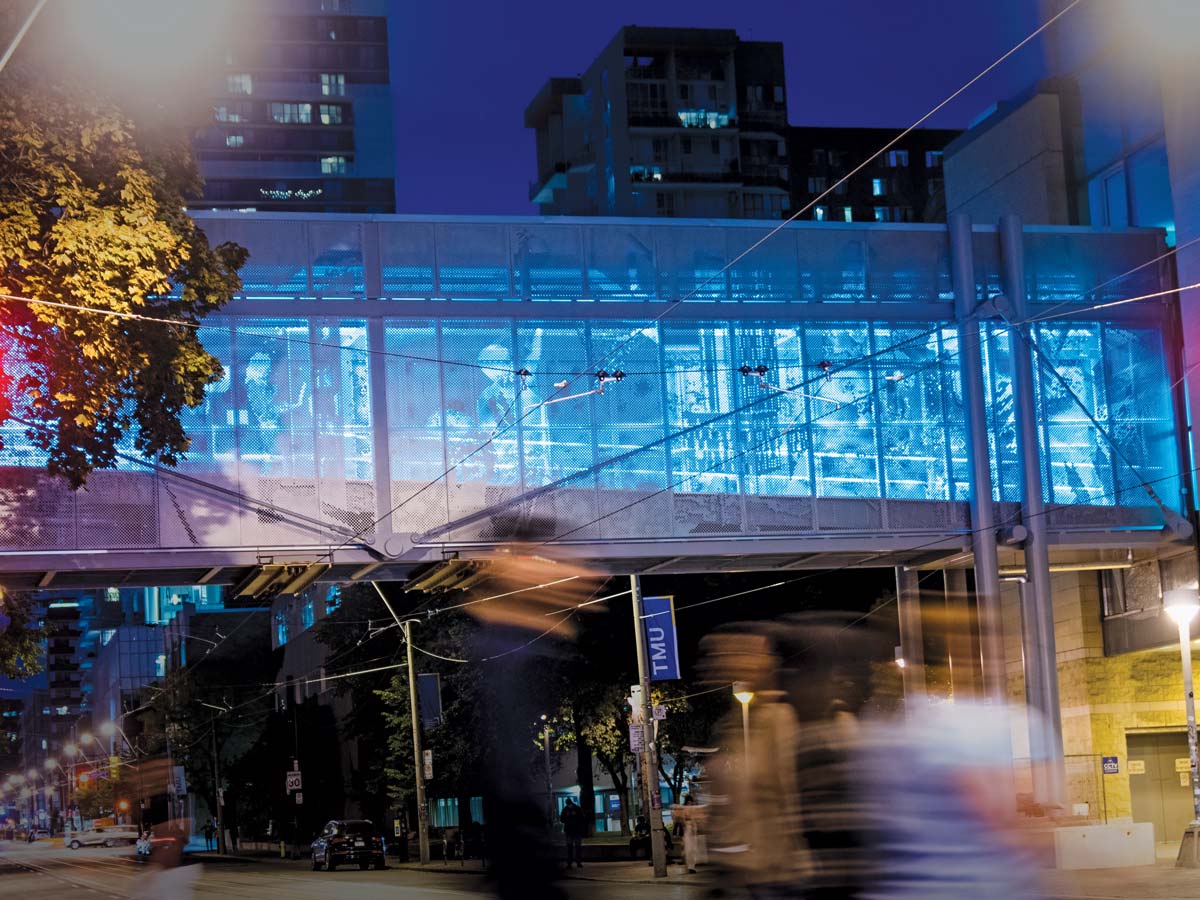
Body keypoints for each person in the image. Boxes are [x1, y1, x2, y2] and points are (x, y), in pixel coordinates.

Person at [559, 798, 585, 868]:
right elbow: (562, 819)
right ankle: (573, 862)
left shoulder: (574, 809)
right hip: (572, 831)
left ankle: (575, 862)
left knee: (574, 847)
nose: (569, 805)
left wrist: (570, 818)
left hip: (574, 831)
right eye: (568, 804)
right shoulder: (567, 809)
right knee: (573, 847)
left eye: (569, 804)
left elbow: (582, 818)